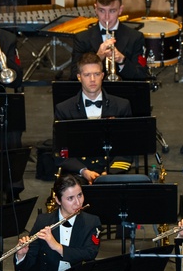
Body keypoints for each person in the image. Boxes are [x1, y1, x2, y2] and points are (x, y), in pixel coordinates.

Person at [54, 51, 133, 180]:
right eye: (87, 75)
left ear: (102, 75)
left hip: (112, 172)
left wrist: (110, 173)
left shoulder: (121, 106)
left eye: (96, 74)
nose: (92, 80)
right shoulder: (64, 109)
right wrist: (84, 171)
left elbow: (128, 147)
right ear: (79, 77)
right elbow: (60, 153)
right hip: (78, 175)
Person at [71, 0, 147, 81]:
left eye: (112, 11)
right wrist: (97, 58)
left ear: (120, 10)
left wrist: (121, 60)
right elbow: (74, 77)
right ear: (95, 8)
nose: (106, 17)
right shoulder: (81, 38)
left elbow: (141, 76)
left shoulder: (136, 38)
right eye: (102, 11)